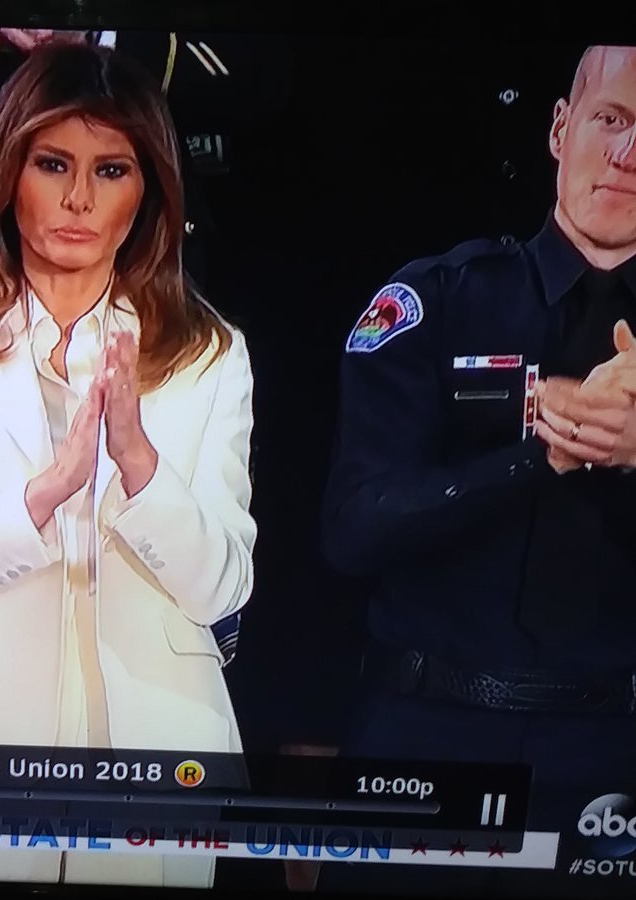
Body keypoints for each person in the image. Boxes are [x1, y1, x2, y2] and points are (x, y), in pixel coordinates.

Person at [0, 42, 257, 887]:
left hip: (162, 750)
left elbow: (225, 586)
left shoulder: (210, 357)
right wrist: (39, 498)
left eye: (112, 169)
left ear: (147, 190)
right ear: (11, 173)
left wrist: (141, 468)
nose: (79, 198)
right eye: (54, 164)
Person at [321, 44, 636, 886]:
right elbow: (353, 530)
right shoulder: (435, 300)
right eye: (612, 119)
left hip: (613, 767)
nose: (627, 156)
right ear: (561, 128)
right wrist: (545, 451)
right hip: (427, 738)